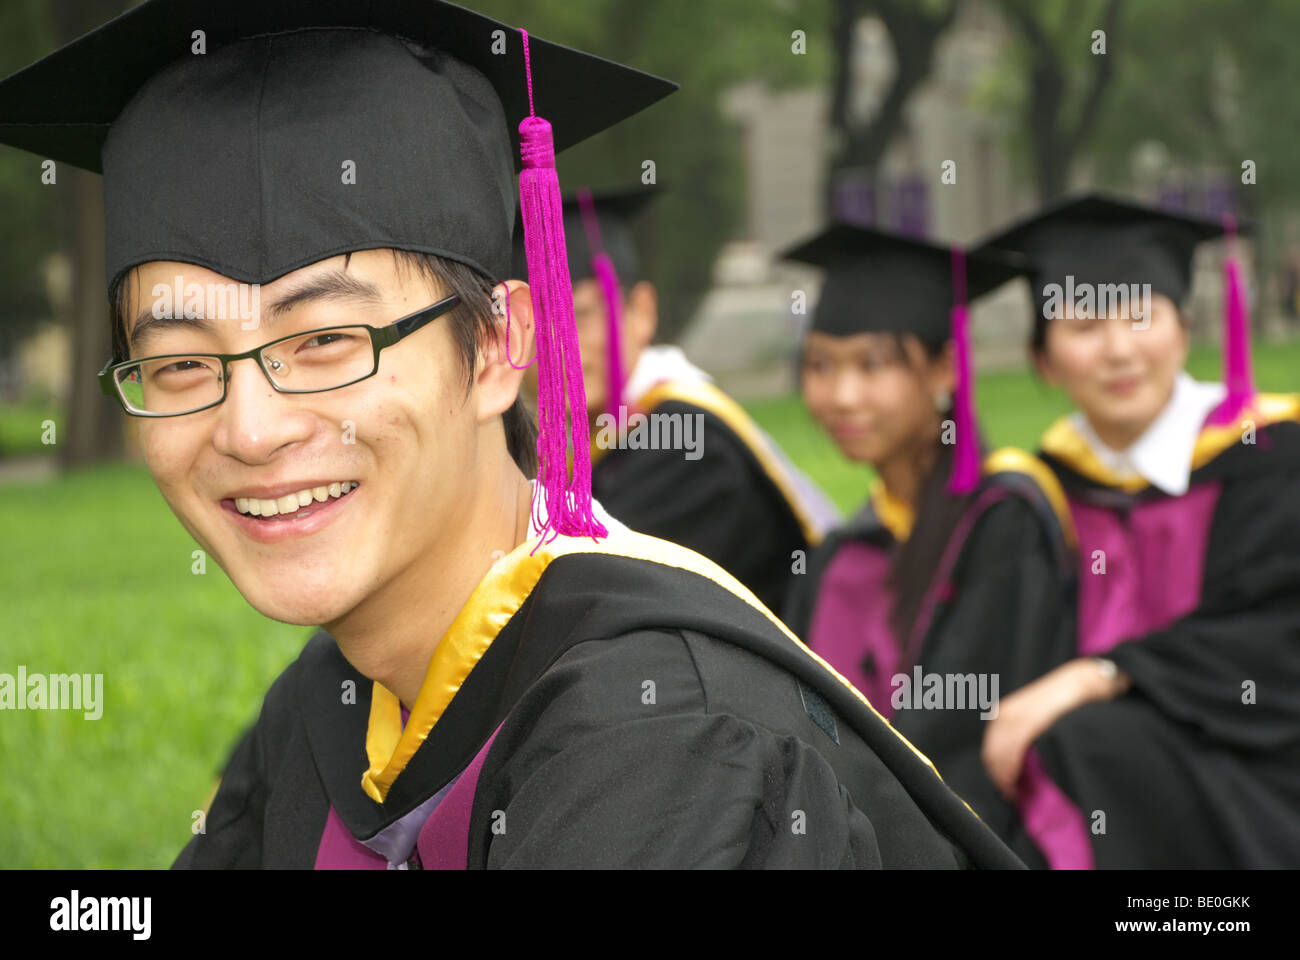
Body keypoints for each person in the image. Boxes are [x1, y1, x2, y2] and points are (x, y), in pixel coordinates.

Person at [0, 1, 1025, 868]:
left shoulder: (663, 738)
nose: (250, 426)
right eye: (180, 364)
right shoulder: (325, 709)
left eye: (325, 340)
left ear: (497, 348)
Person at [977, 192, 1300, 868]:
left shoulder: (1271, 455)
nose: (1119, 350)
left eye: (1140, 316)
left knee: (1086, 741)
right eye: (1086, 327)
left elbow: (1273, 635)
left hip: (1261, 769)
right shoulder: (1040, 488)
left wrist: (1103, 675)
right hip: (1084, 768)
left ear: (1184, 329)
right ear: (1043, 360)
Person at [779, 222, 1076, 867]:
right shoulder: (837, 552)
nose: (842, 395)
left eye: (873, 365)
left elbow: (963, 745)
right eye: (821, 366)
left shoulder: (1005, 519)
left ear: (944, 368)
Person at [512, 184, 839, 615]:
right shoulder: (575, 446)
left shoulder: (687, 446)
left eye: (582, 313)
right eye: (536, 324)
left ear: (642, 312)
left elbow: (579, 589)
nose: (558, 345)